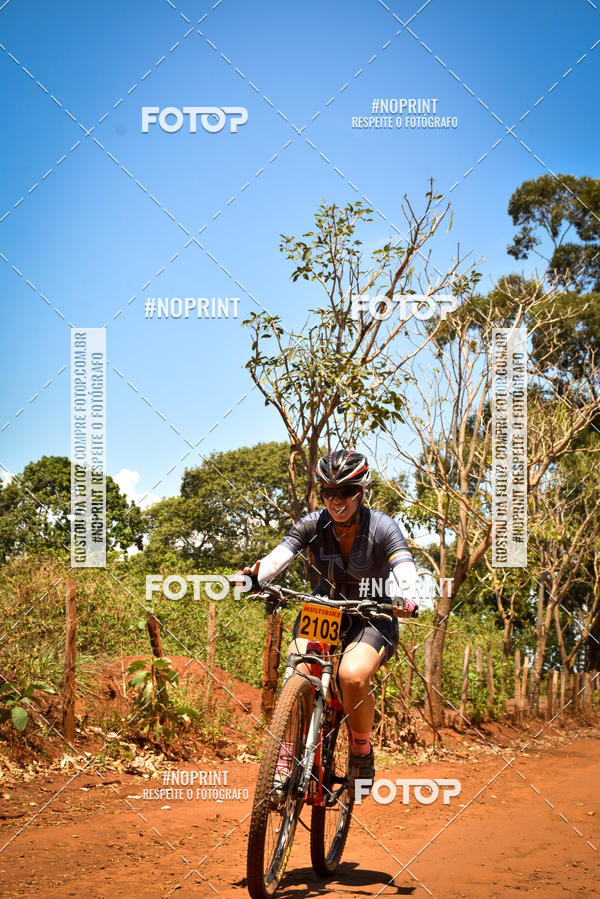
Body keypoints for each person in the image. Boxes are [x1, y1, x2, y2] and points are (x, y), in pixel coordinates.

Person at [234, 449, 420, 797]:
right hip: (326, 608)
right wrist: (252, 578)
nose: (337, 501)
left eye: (346, 492)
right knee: (299, 664)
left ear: (361, 491)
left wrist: (407, 597)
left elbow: (404, 566)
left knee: (351, 675)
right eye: (329, 493)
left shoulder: (382, 526)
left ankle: (361, 751)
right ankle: (285, 759)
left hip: (373, 615)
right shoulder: (312, 524)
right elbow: (278, 557)